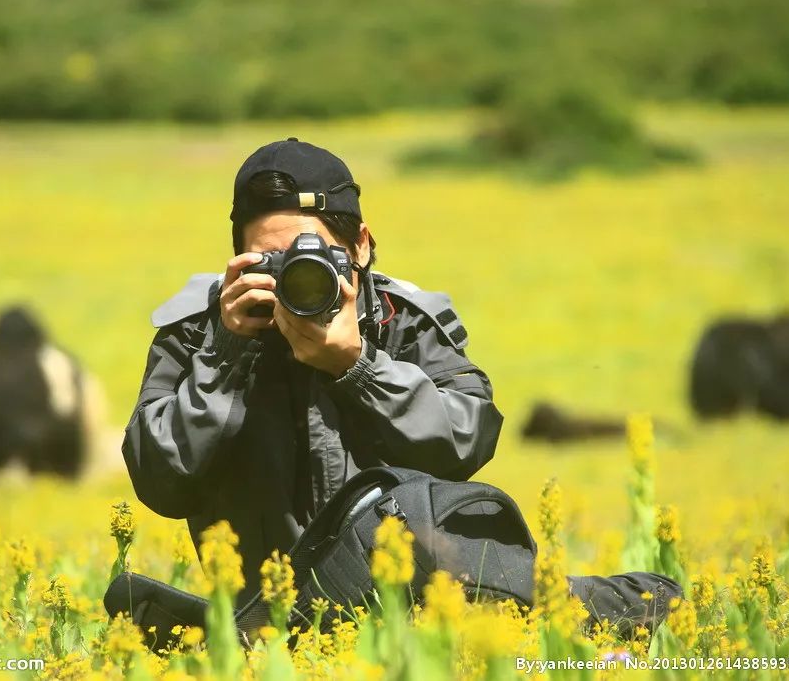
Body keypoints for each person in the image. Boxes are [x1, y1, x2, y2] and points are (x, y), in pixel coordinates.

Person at [121, 137, 503, 604]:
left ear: (360, 245)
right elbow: (160, 482)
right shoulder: (201, 333)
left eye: (316, 256)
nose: (297, 277)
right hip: (262, 617)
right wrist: (225, 357)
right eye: (272, 261)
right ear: (238, 259)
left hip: (402, 604)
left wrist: (359, 368)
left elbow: (467, 442)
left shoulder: (400, 322)